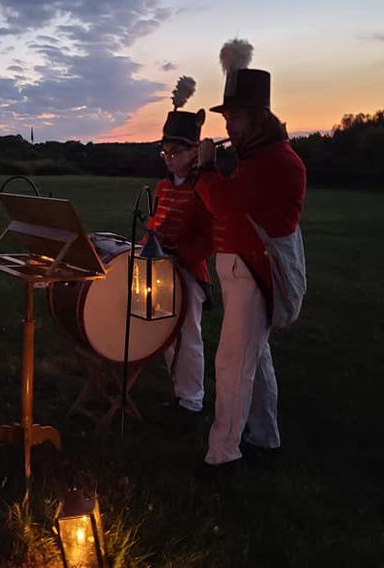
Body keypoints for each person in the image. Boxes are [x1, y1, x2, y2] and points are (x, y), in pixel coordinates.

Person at [192, 39, 307, 472]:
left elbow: (224, 203)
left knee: (233, 363)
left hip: (252, 270)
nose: (229, 128)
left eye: (236, 118)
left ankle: (223, 454)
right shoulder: (255, 157)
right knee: (254, 359)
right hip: (239, 267)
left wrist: (204, 170)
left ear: (259, 119)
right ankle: (264, 435)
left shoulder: (275, 161)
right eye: (229, 118)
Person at [146, 77, 215, 424]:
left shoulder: (203, 187)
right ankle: (177, 392)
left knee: (189, 334)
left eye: (175, 153)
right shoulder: (162, 185)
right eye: (165, 152)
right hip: (162, 267)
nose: (168, 159)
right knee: (164, 331)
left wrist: (183, 254)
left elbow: (211, 235)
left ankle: (192, 401)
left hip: (188, 269)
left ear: (193, 152)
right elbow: (157, 220)